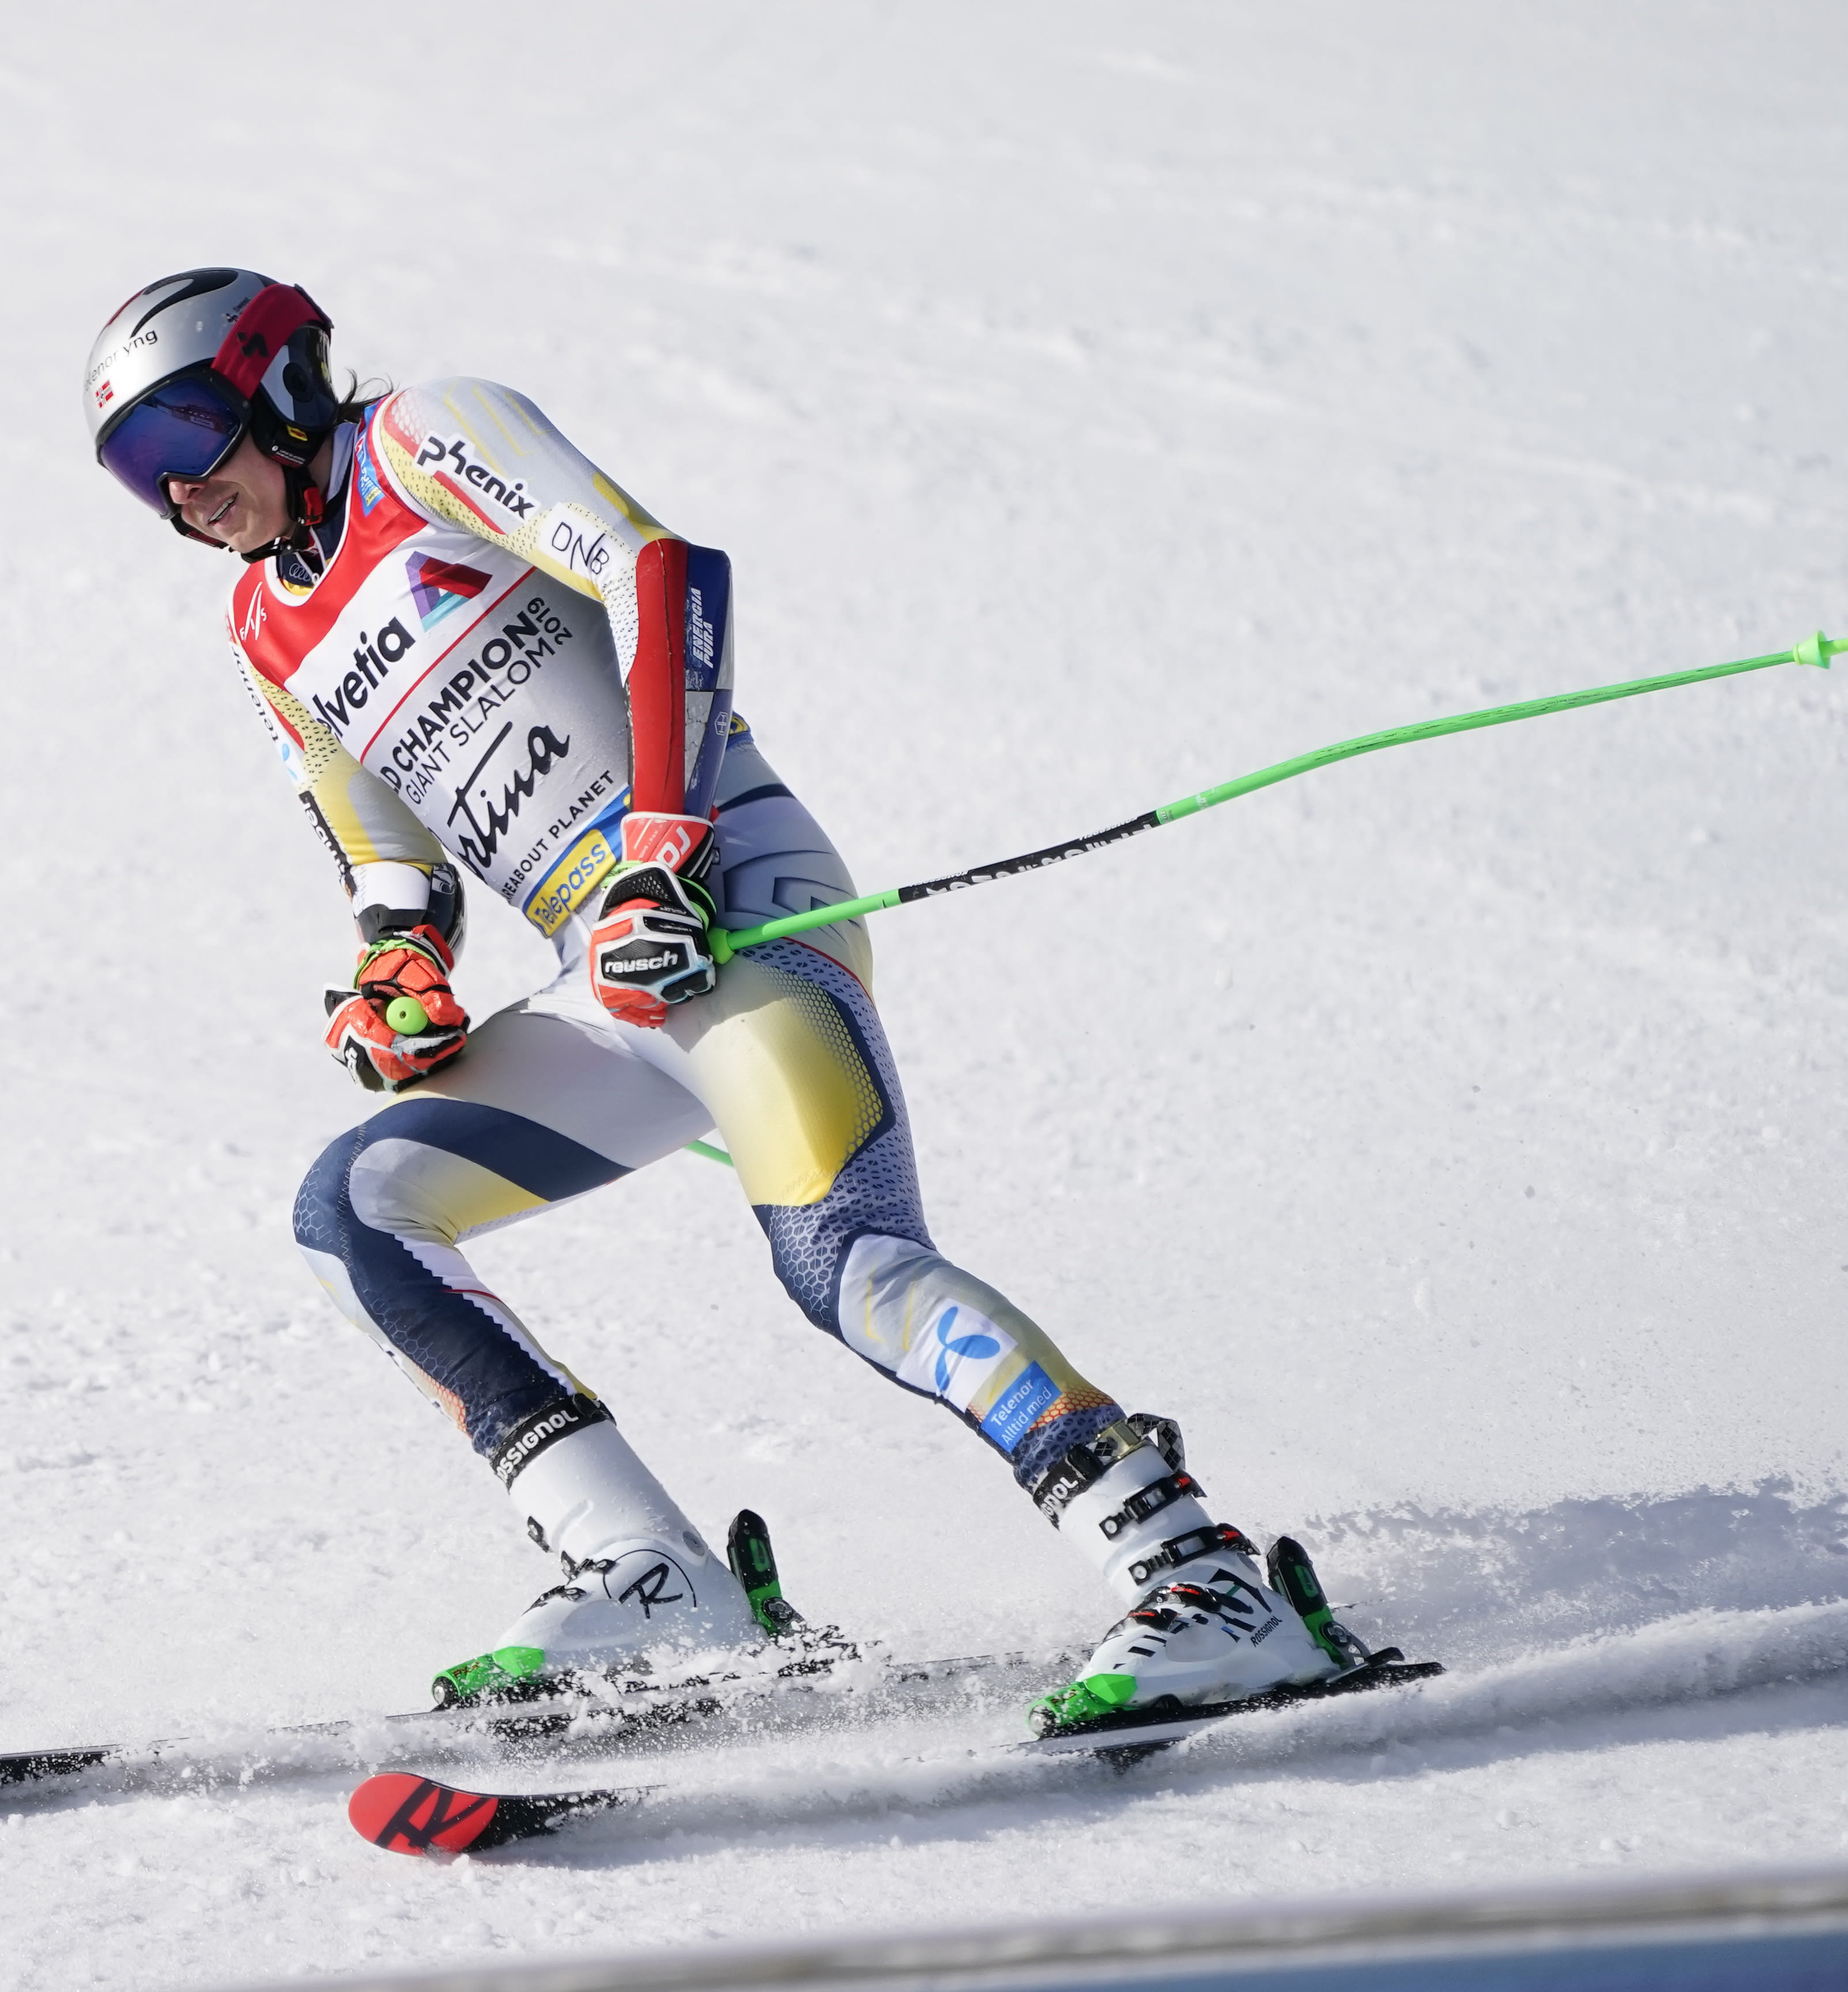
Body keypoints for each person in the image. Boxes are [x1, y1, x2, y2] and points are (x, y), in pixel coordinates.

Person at [82, 267, 1352, 1733]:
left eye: (186, 434)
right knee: (356, 1213)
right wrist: (399, 972)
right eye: (137, 471)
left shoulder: (424, 439)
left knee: (851, 1264)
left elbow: (665, 574)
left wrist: (664, 843)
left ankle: (1200, 1571)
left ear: (281, 385)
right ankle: (653, 1577)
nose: (179, 491)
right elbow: (387, 856)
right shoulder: (263, 630)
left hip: (733, 902)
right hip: (608, 971)